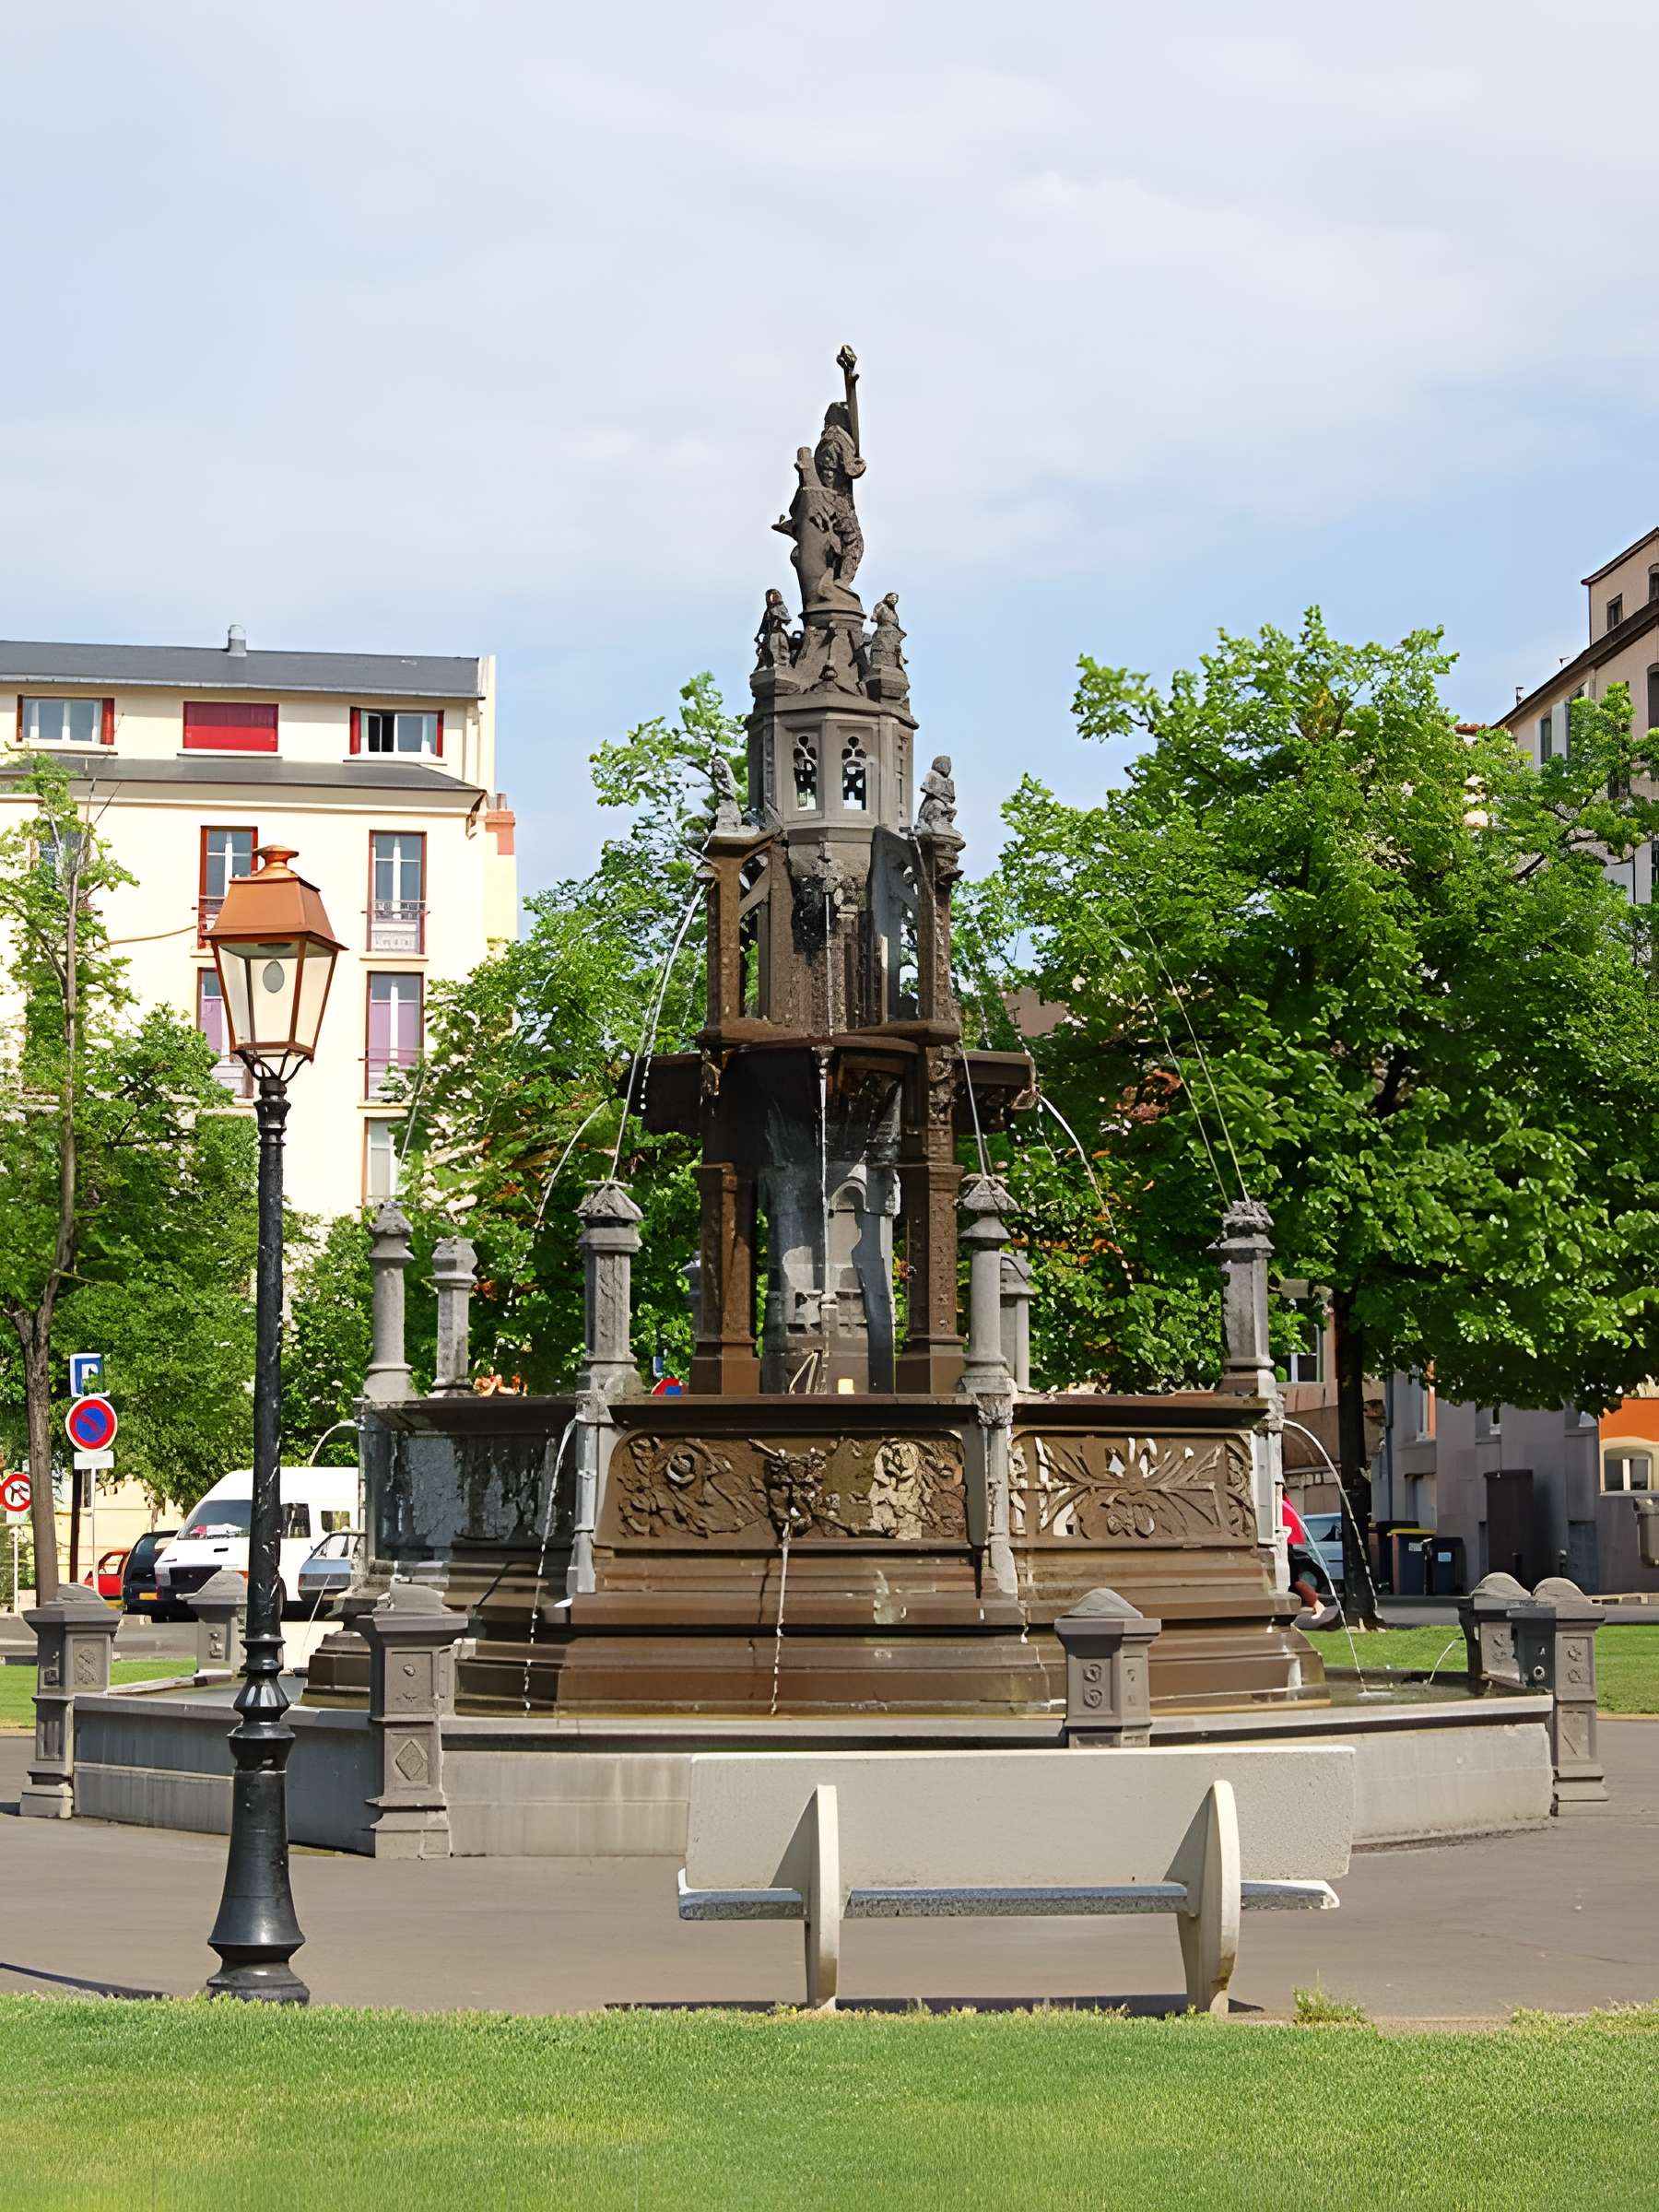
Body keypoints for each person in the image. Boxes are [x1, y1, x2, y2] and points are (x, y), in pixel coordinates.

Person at [1283, 1494, 1341, 1630]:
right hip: (1285, 1542)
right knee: (1293, 1581)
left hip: (1283, 1543)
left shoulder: (1278, 1502)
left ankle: (1318, 1605)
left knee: (1293, 1581)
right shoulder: (1282, 1501)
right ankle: (1321, 1602)